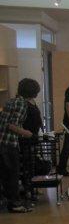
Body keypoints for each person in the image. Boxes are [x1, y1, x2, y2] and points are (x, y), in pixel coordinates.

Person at [0, 78, 40, 213]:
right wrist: (27, 133)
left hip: (2, 142)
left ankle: (9, 201)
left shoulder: (11, 101)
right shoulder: (22, 104)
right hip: (9, 143)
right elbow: (12, 125)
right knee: (13, 174)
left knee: (6, 174)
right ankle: (15, 204)